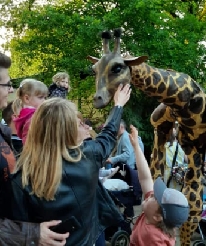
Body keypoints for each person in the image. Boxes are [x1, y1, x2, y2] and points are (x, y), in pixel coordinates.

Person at [10, 84, 131, 246]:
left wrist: (32, 233)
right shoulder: (89, 155)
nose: (83, 126)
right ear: (68, 131)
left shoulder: (21, 177)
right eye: (77, 123)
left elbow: (11, 227)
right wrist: (118, 105)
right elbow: (108, 135)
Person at [0, 52, 68, 245]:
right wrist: (30, 233)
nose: (11, 89)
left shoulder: (3, 132)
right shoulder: (32, 118)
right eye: (6, 85)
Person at [129, 125, 189, 245]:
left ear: (157, 217)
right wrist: (136, 147)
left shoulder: (153, 237)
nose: (150, 194)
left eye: (154, 197)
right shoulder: (152, 215)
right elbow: (146, 178)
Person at [13, 78, 48, 144]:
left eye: (45, 97)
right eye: (40, 97)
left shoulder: (24, 114)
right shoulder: (32, 117)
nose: (44, 101)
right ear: (27, 98)